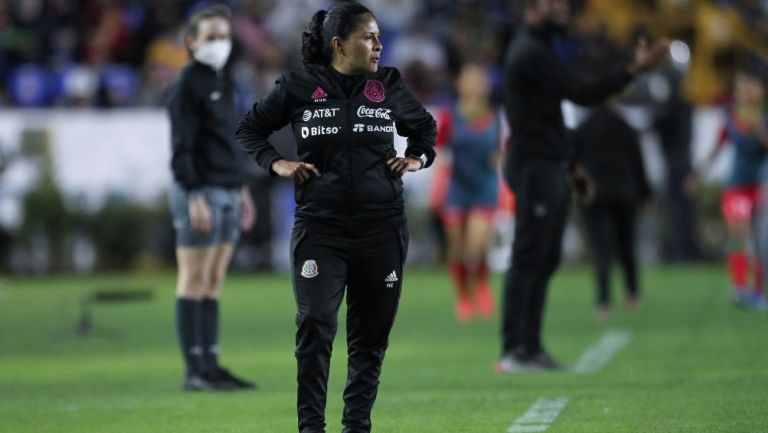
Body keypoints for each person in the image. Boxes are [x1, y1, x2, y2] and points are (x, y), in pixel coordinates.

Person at [235, 3, 436, 432]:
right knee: (314, 324)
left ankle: (356, 427)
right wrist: (277, 163)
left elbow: (425, 129)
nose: (379, 45)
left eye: (380, 37)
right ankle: (311, 428)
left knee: (370, 339)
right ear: (340, 44)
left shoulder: (388, 85)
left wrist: (418, 157)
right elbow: (249, 129)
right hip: (320, 228)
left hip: (382, 229)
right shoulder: (298, 86)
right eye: (369, 37)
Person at [497, 0, 669, 373]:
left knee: (544, 258)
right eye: (552, 2)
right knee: (529, 256)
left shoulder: (540, 48)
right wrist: (633, 70)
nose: (563, 7)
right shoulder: (530, 51)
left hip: (548, 164)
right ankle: (515, 350)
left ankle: (530, 347)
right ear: (531, 7)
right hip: (533, 167)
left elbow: (549, 116)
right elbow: (581, 92)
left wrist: (572, 166)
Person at [167, 4, 257, 391]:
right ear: (192, 41)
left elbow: (229, 142)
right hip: (200, 191)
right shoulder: (186, 85)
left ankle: (211, 364)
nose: (220, 43)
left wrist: (243, 188)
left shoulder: (225, 80)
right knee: (193, 278)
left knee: (214, 278)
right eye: (212, 37)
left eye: (224, 36)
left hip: (227, 189)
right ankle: (194, 370)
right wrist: (192, 194)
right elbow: (181, 146)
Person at [689, 70, 768, 310]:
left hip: (762, 187)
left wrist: (756, 127)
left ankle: (758, 292)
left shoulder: (763, 117)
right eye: (740, 89)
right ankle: (740, 287)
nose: (744, 94)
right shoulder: (732, 118)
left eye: (749, 88)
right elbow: (718, 145)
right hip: (737, 187)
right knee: (739, 235)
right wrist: (698, 175)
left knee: (761, 242)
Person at [572, 101, 651, 321]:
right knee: (626, 245)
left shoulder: (584, 128)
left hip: (594, 196)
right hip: (624, 194)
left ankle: (604, 301)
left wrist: (579, 193)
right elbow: (638, 161)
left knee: (600, 249)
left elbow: (573, 163)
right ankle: (632, 293)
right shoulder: (624, 126)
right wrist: (645, 193)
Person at [433, 62, 500, 322]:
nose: (476, 84)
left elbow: (499, 152)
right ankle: (463, 296)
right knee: (457, 247)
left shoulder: (494, 116)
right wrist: (437, 186)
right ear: (459, 84)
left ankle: (481, 287)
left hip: (484, 185)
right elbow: (438, 151)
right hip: (457, 186)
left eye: (480, 79)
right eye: (470, 79)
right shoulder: (450, 115)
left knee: (477, 244)